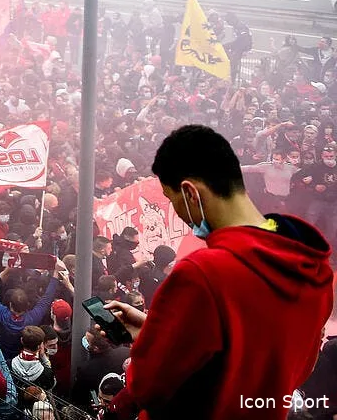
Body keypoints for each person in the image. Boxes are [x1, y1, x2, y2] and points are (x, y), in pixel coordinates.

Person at [107, 125, 334, 420]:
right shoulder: (311, 265)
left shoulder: (201, 275)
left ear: (190, 192)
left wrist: (150, 345)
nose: (177, 212)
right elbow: (296, 364)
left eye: (172, 199)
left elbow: (149, 386)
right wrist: (157, 331)